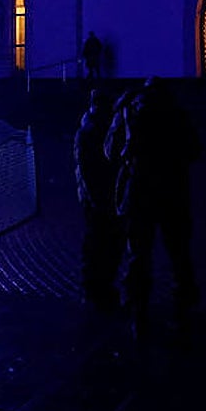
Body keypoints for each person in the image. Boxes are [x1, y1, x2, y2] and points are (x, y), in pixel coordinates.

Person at [105, 77, 201, 340]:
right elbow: (194, 150)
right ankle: (182, 314)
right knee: (179, 255)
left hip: (139, 192)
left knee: (138, 255)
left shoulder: (129, 110)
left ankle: (139, 316)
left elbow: (110, 151)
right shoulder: (177, 113)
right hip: (173, 192)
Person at [73, 88, 121, 311]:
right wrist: (96, 196)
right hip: (97, 197)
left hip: (101, 196)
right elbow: (88, 167)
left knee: (102, 242)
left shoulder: (93, 128)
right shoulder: (92, 130)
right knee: (96, 243)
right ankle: (93, 288)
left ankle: (98, 286)